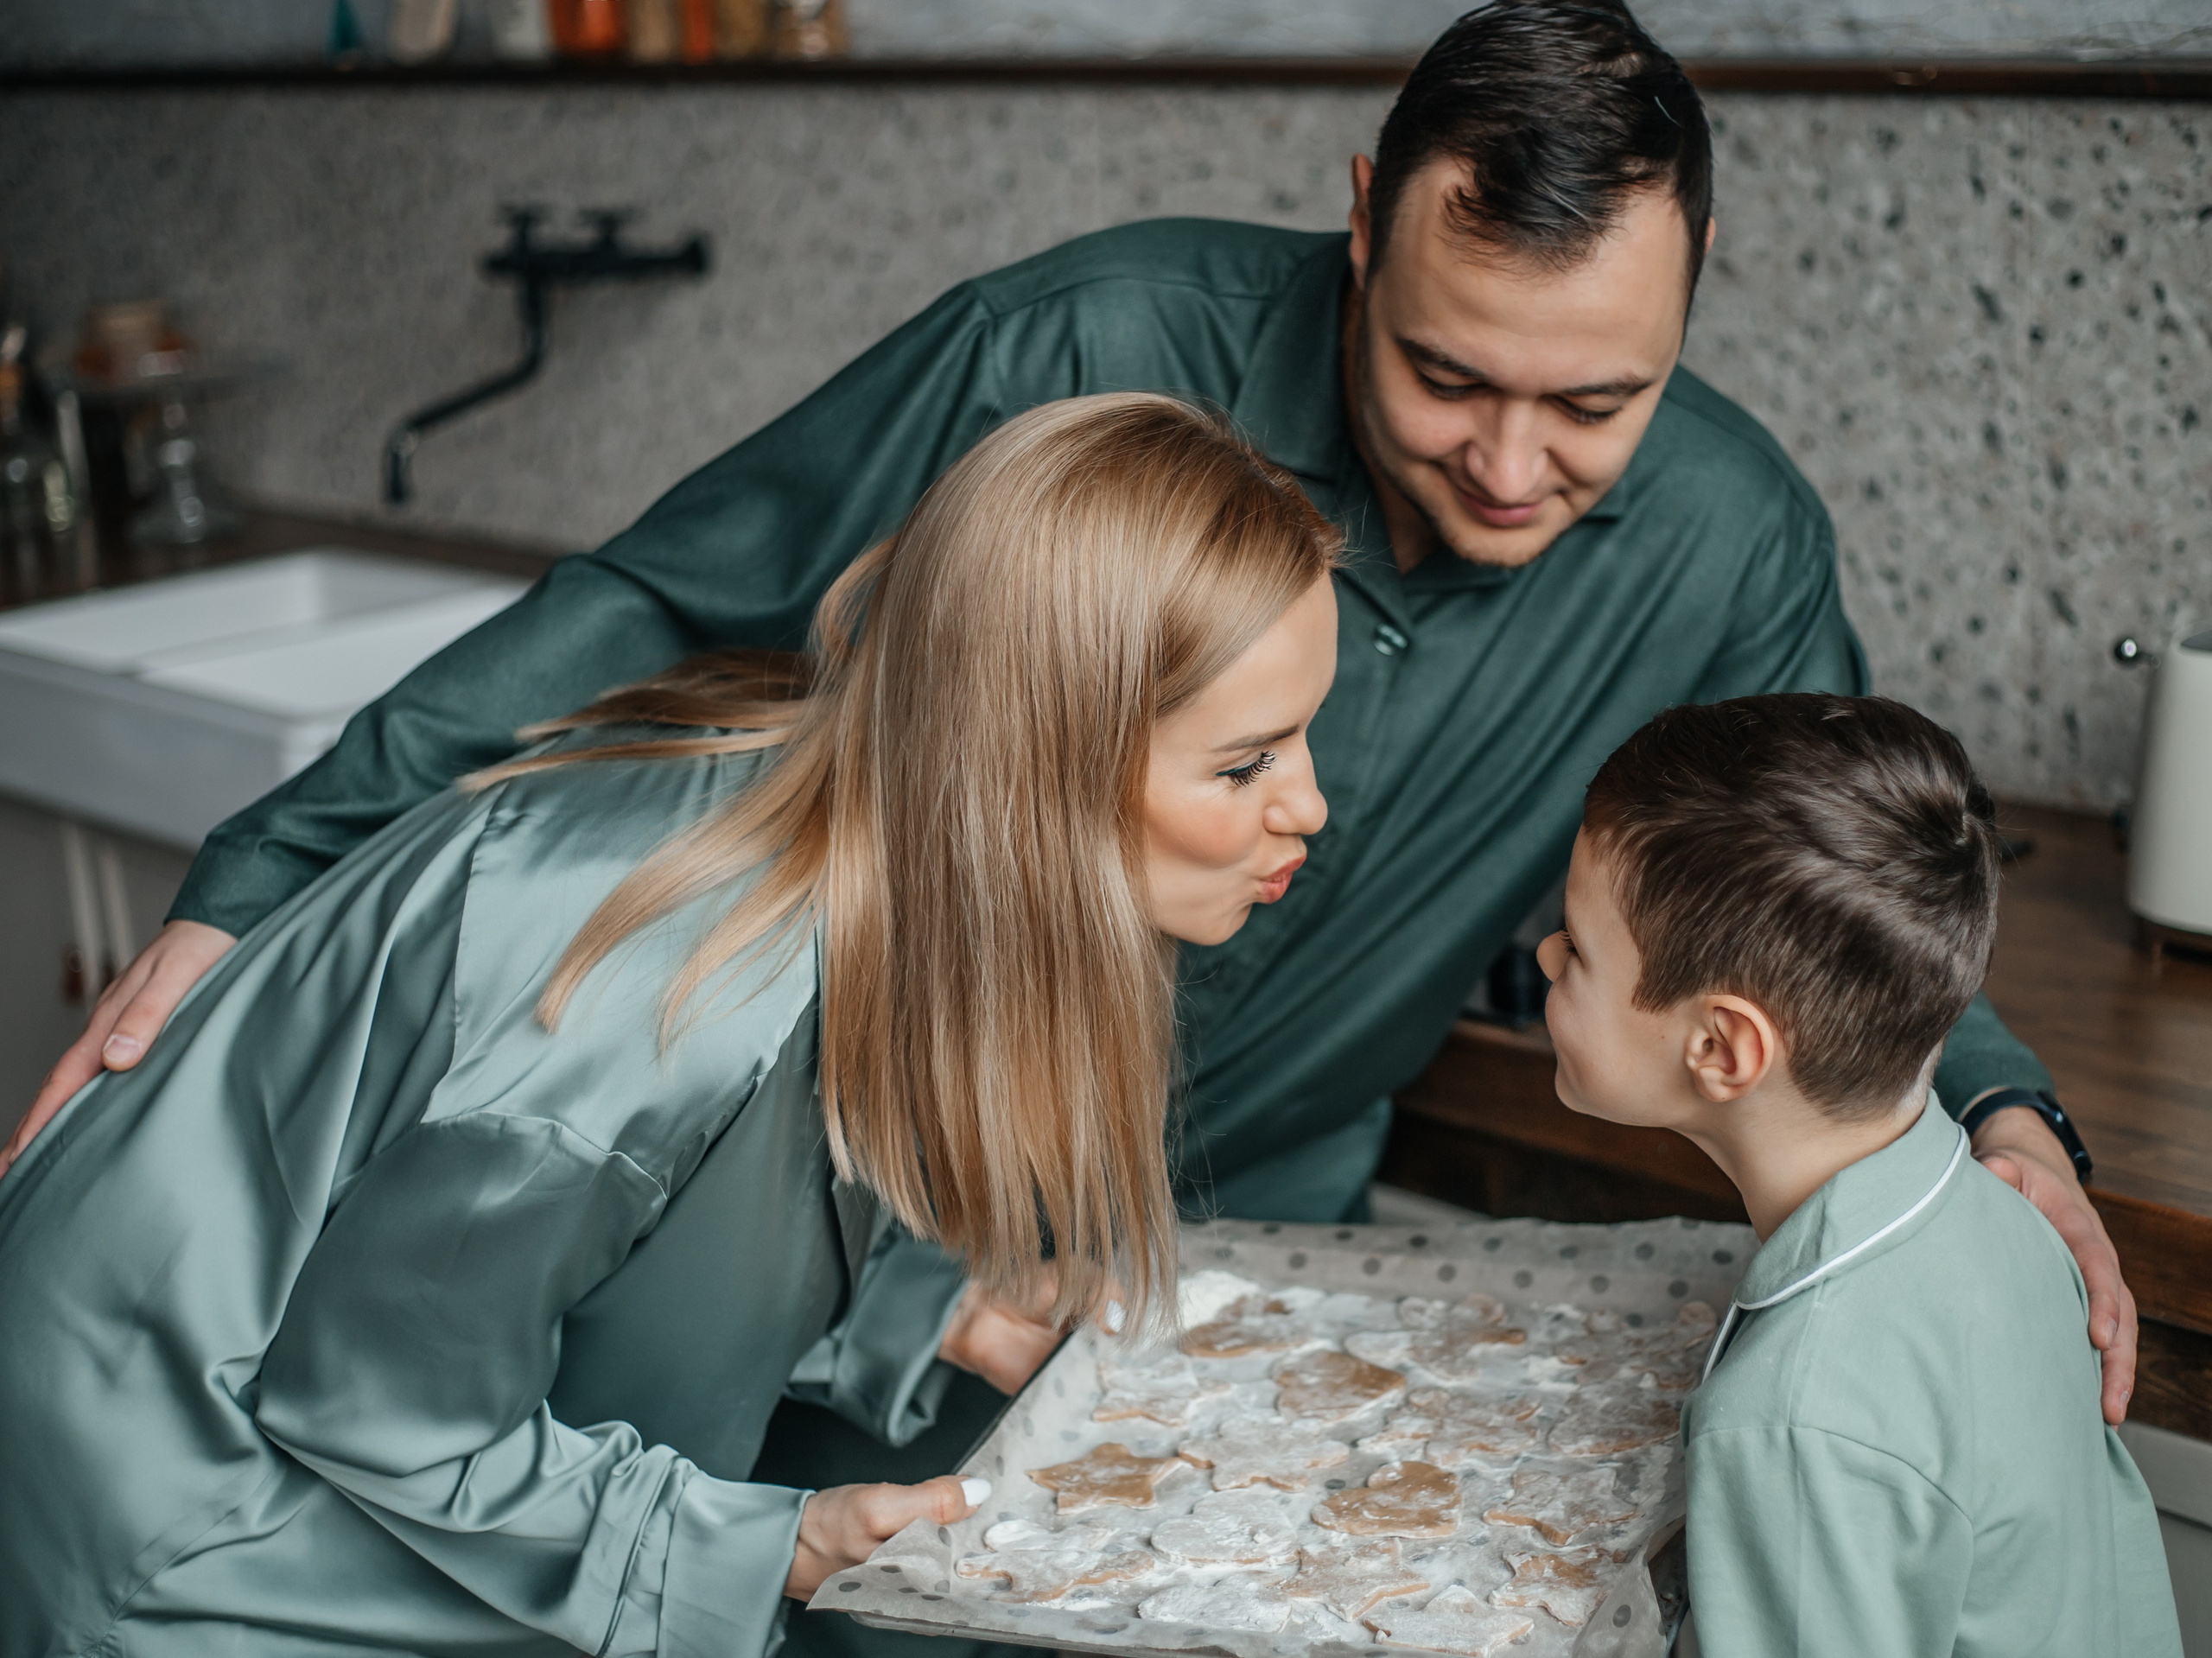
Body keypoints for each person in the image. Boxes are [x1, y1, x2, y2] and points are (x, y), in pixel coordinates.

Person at [3, 4, 2134, 1641]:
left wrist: (2002, 1116)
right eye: (1442, 377)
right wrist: (271, 873)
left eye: (1594, 405)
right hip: (871, 1192)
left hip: (1115, 1241)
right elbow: (654, 599)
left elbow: (1817, 869)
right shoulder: (1078, 363)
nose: (1507, 467)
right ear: (1358, 213)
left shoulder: (1723, 534)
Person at [0, 395, 1342, 1656]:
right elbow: (387, 1413)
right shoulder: (664, 984)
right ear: (1029, 759)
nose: (1311, 807)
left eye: (1300, 740)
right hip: (183, 1541)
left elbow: (658, 1243)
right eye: (1245, 763)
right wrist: (773, 1546)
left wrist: (930, 1313)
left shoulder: (871, 864)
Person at [1535, 694, 2180, 1658]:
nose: (1546, 953)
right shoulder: (2013, 1221)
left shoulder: (1792, 1422)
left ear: (1720, 1046)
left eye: (1577, 948)